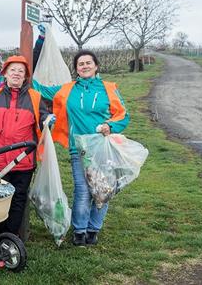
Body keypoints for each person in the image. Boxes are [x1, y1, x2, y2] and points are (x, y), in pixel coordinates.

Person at [32, 50, 130, 246]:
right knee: (83, 190)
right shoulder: (68, 89)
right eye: (80, 64)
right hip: (79, 149)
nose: (84, 66)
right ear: (76, 69)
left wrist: (110, 126)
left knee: (103, 189)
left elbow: (123, 115)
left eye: (88, 63)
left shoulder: (108, 88)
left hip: (102, 148)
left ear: (96, 66)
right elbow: (38, 88)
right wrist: (33, 55)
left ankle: (94, 228)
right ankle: (80, 230)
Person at [0, 55, 54, 236]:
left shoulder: (35, 97)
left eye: (21, 71)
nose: (17, 74)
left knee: (18, 199)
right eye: (13, 70)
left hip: (23, 161)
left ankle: (10, 237)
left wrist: (48, 121)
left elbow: (42, 119)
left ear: (26, 75)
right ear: (5, 73)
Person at [0, 26, 46, 157]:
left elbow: (30, 61)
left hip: (10, 137)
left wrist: (41, 39)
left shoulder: (10, 77)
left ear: (0, 62)